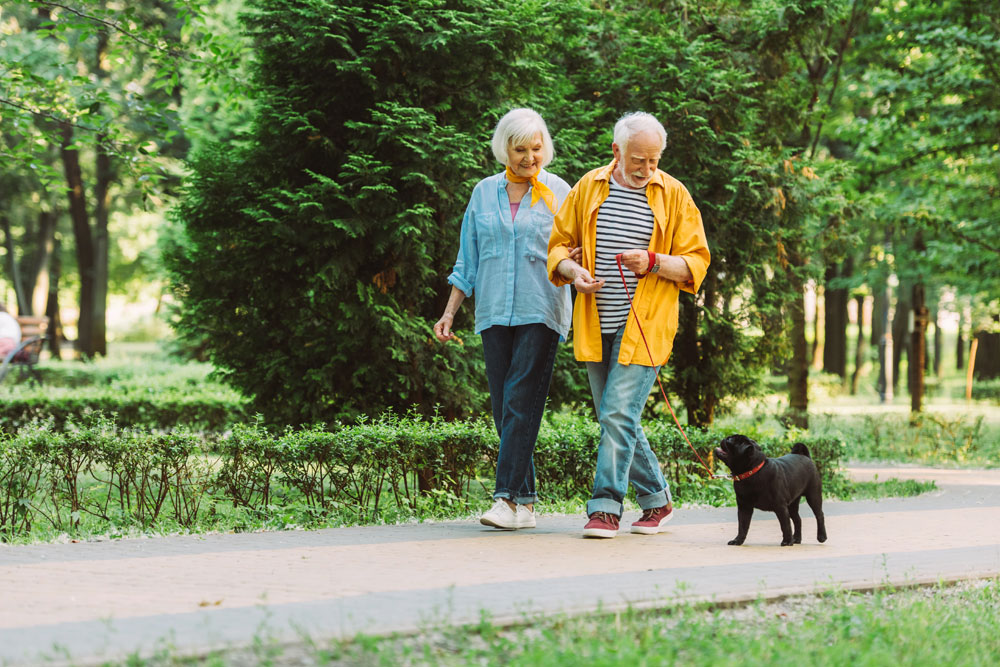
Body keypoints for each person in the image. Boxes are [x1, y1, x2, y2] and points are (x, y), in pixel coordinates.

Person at [547, 111, 711, 539]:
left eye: (654, 160)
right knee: (614, 416)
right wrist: (571, 271)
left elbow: (696, 262)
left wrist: (653, 261)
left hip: (646, 324)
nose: (647, 169)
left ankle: (605, 507)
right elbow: (559, 246)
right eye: (639, 160)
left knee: (618, 412)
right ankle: (657, 499)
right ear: (616, 151)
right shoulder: (589, 186)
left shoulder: (674, 194)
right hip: (595, 318)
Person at [434, 108, 577, 530]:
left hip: (541, 307)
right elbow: (469, 259)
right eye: (520, 149)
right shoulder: (483, 193)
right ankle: (527, 503)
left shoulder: (559, 191)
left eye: (536, 148)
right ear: (504, 149)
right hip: (494, 311)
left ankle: (506, 498)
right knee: (504, 408)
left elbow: (575, 248)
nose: (529, 157)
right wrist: (449, 313)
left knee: (518, 399)